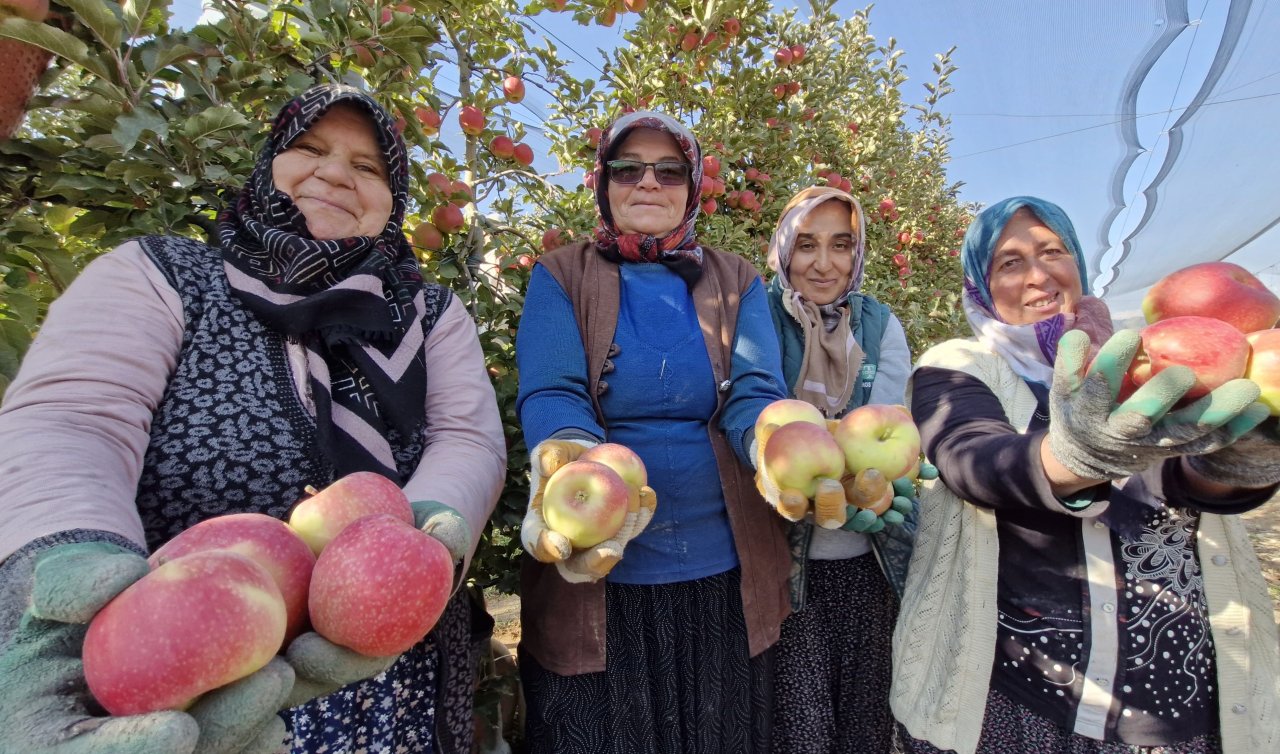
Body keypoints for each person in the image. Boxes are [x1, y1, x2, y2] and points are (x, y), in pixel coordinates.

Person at [0, 84, 506, 753]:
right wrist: (61, 554)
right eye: (311, 149)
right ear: (270, 162)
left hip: (387, 660)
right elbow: (74, 418)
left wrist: (421, 541)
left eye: (367, 167)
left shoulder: (427, 313)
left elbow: (466, 436)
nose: (334, 173)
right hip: (175, 655)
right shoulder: (164, 273)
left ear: (394, 201)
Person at [891, 196, 1280, 754]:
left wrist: (1244, 456)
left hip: (1171, 695)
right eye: (1010, 262)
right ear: (981, 284)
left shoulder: (1153, 360)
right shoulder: (958, 365)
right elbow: (971, 462)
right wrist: (1078, 454)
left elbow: (1189, 483)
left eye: (1053, 252)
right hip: (1021, 694)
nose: (1039, 274)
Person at [514, 111, 792, 753]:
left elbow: (754, 389)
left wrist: (773, 443)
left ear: (692, 186)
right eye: (627, 168)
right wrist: (572, 459)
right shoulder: (561, 275)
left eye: (669, 171)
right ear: (602, 182)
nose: (648, 182)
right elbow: (555, 388)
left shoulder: (737, 278)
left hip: (722, 572)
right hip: (606, 576)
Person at [762, 186, 912, 753]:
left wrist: (871, 476)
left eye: (840, 245)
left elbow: (894, 427)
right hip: (785, 565)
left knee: (865, 725)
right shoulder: (761, 319)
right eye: (806, 245)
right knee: (800, 729)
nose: (823, 263)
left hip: (870, 564)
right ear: (782, 250)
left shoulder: (877, 325)